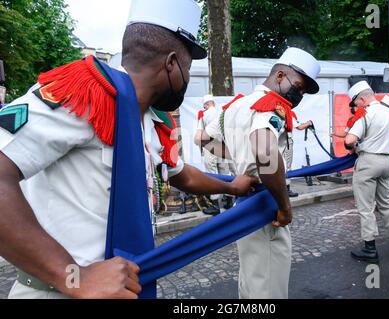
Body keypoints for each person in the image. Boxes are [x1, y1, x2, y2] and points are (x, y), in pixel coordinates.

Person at [0, 0, 257, 299]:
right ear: (172, 64)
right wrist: (73, 277)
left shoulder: (150, 120)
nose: (187, 79)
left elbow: (182, 176)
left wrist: (234, 187)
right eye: (188, 69)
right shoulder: (84, 93)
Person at [200, 47, 321, 298]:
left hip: (245, 200)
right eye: (297, 86)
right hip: (266, 201)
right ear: (279, 76)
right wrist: (285, 207)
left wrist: (238, 154)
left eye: (303, 91)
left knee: (252, 278)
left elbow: (202, 138)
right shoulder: (271, 106)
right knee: (268, 286)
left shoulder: (235, 105)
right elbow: (265, 152)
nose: (299, 94)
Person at [345, 81, 389, 264]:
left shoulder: (365, 114)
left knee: (366, 207)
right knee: (386, 202)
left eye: (355, 102)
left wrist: (357, 147)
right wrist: (387, 149)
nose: (355, 106)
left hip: (368, 162)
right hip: (387, 161)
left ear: (362, 99)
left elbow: (350, 140)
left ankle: (370, 248)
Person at [195, 95, 235, 214]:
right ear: (213, 103)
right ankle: (229, 201)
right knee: (225, 172)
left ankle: (215, 204)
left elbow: (200, 133)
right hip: (222, 145)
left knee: (212, 173)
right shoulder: (222, 113)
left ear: (205, 105)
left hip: (209, 144)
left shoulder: (203, 115)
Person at [284, 115, 313, 197]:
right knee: (287, 166)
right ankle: (286, 189)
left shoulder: (272, 112)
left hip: (275, 141)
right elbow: (300, 127)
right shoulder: (287, 112)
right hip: (286, 141)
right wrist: (308, 123)